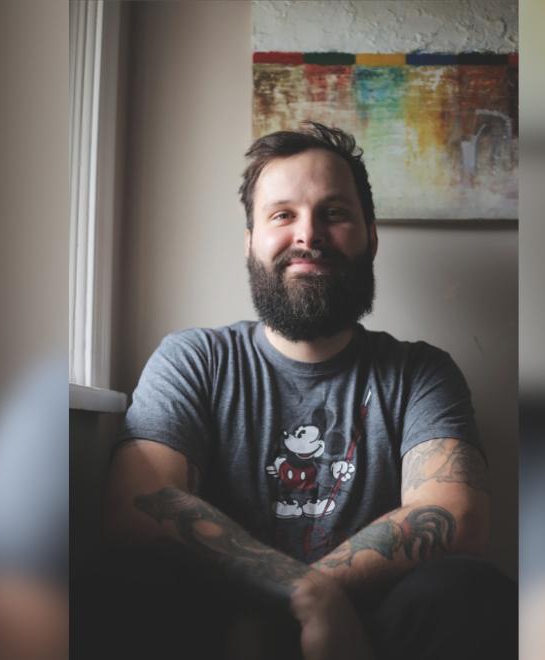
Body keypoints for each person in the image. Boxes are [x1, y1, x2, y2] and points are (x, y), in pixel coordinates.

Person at [103, 122, 515, 660]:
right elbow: (136, 504)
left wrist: (326, 598)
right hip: (225, 632)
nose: (309, 235)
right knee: (135, 583)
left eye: (334, 213)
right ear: (250, 241)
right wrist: (300, 595)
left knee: (469, 592)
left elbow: (455, 515)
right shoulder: (193, 360)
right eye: (283, 214)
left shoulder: (420, 371)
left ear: (370, 235)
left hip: (374, 635)